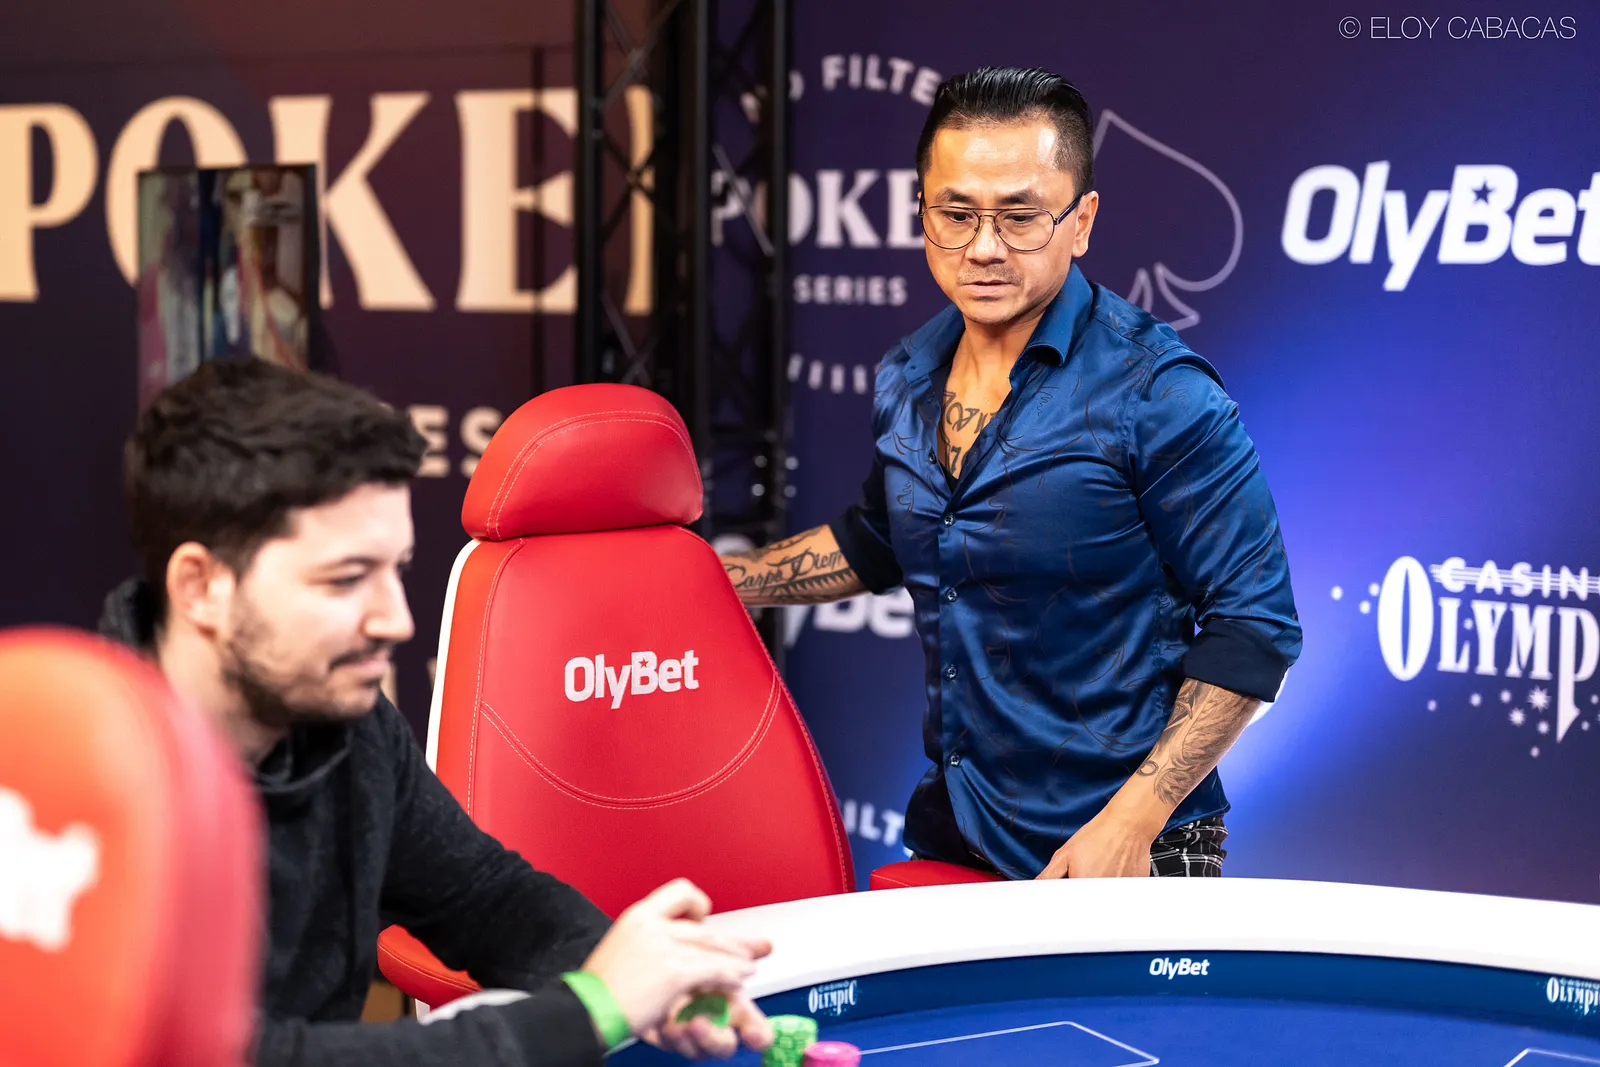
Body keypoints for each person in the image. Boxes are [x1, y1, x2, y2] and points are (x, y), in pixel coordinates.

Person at [99, 357, 773, 1067]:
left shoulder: (343, 722)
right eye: (347, 579)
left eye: (396, 569)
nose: (396, 619)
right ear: (201, 586)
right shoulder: (86, 786)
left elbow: (480, 895)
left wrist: (644, 973)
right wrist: (595, 1006)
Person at [722, 67, 1302, 881]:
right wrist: (718, 581)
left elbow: (1255, 625)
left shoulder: (1157, 391)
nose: (984, 247)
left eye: (1021, 217)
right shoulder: (906, 373)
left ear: (1081, 221)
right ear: (922, 212)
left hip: (1122, 854)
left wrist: (1131, 822)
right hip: (956, 831)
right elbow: (877, 539)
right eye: (956, 213)